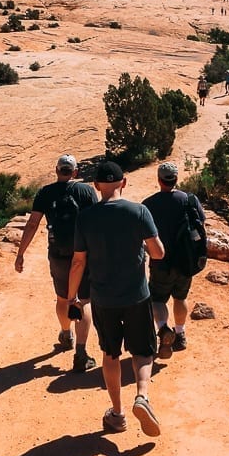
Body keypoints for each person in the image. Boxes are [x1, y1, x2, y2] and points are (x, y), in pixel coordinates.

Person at [67, 161, 165, 436]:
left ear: (96, 186)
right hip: (137, 295)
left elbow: (78, 263)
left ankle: (118, 414)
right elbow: (158, 253)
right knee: (143, 350)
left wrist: (71, 297)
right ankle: (142, 396)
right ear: (124, 183)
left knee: (110, 354)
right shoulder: (139, 212)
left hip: (102, 298)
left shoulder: (85, 218)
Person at [15, 154, 98, 372]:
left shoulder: (45, 192)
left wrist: (20, 253)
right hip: (83, 254)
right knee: (84, 299)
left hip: (58, 253)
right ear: (75, 172)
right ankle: (81, 352)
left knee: (63, 297)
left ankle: (66, 333)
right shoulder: (86, 191)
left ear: (56, 170)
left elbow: (33, 223)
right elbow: (96, 222)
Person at [142, 162, 205, 357]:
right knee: (181, 297)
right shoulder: (189, 200)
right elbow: (201, 222)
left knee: (158, 299)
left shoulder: (149, 204)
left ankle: (162, 329)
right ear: (176, 179)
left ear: (159, 179)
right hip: (186, 259)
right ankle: (180, 334)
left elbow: (142, 234)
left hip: (161, 260)